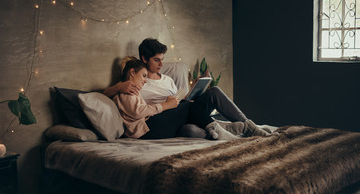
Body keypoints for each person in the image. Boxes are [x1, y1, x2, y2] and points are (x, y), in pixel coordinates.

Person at [104, 38, 270, 137]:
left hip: (183, 109)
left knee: (214, 91)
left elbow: (181, 101)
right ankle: (225, 129)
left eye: (163, 59)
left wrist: (193, 90)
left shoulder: (168, 79)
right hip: (167, 120)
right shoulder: (137, 83)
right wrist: (119, 86)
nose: (161, 64)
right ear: (144, 58)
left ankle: (249, 126)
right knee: (190, 131)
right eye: (157, 60)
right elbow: (108, 95)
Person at [113, 56, 239, 140]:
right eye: (143, 76)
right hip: (145, 131)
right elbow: (138, 111)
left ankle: (218, 129)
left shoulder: (128, 90)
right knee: (188, 106)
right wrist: (164, 106)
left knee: (187, 105)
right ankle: (219, 130)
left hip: (148, 127)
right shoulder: (126, 91)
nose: (145, 81)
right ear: (132, 72)